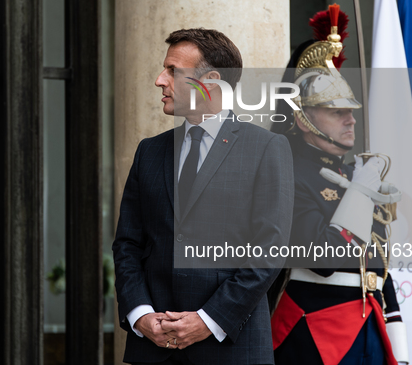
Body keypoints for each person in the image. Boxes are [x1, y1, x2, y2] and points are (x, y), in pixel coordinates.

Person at [113, 28, 294, 365]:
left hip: (231, 350)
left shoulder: (266, 148)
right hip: (153, 349)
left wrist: (207, 320)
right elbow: (127, 245)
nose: (159, 80)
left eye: (172, 71)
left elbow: (270, 250)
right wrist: (139, 313)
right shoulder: (149, 152)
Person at [269, 7, 409, 365]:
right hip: (314, 330)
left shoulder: (353, 173)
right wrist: (361, 193)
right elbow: (323, 259)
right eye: (336, 111)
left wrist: (400, 346)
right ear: (302, 117)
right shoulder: (286, 172)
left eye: (351, 110)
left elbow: (378, 263)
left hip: (370, 325)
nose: (350, 120)